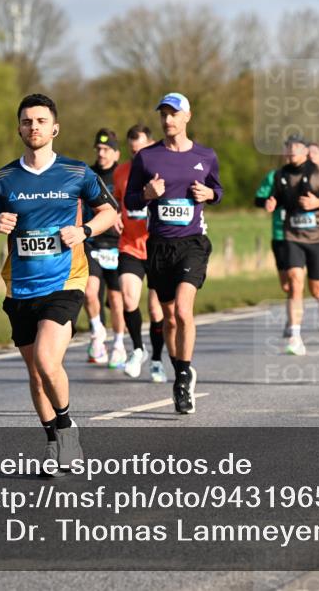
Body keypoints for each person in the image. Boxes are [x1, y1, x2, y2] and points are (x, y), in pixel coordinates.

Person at [0, 93, 117, 471]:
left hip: (65, 281)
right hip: (20, 286)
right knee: (36, 376)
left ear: (55, 128)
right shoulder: (3, 179)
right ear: (19, 129)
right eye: (27, 121)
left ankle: (67, 428)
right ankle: (53, 441)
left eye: (40, 121)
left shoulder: (77, 172)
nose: (33, 127)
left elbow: (109, 212)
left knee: (46, 359)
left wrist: (84, 231)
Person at [124, 93, 223, 415]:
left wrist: (209, 194)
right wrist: (146, 194)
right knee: (168, 317)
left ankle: (181, 378)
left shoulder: (205, 155)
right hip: (159, 245)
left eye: (173, 114)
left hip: (192, 243)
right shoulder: (147, 157)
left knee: (182, 310)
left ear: (187, 117)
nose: (168, 120)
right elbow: (130, 200)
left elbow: (218, 190)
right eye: (163, 114)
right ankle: (181, 366)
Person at [262, 134, 319, 355]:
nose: (291, 151)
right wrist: (271, 202)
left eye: (296, 147)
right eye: (288, 147)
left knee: (316, 288)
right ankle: (295, 337)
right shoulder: (280, 175)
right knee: (295, 280)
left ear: (306, 152)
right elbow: (276, 196)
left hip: (318, 237)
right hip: (293, 236)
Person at [113, 124, 166, 382]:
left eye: (140, 150)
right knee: (128, 298)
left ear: (151, 145)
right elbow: (115, 201)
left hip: (157, 247)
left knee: (156, 310)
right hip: (129, 246)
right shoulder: (121, 172)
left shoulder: (163, 170)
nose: (136, 155)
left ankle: (156, 360)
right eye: (132, 151)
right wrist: (113, 215)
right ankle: (137, 349)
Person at [83, 129, 127, 369]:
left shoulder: (124, 174)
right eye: (98, 149)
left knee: (116, 300)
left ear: (116, 153)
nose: (101, 153)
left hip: (118, 245)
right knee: (90, 292)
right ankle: (97, 332)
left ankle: (119, 344)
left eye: (106, 149)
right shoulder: (87, 174)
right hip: (92, 242)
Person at [255, 165, 292, 334]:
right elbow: (258, 198)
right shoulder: (275, 176)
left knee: (296, 279)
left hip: (303, 236)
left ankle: (292, 323)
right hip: (280, 235)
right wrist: (266, 202)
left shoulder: (310, 174)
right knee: (286, 285)